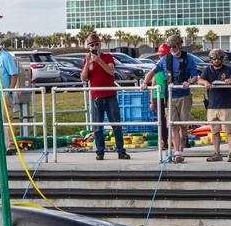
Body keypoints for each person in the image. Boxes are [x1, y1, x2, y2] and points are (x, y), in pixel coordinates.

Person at [142, 34, 198, 162]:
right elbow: (152, 72)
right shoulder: (164, 60)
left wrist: (189, 82)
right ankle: (176, 151)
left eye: (175, 46)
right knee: (173, 125)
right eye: (170, 46)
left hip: (184, 96)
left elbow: (195, 76)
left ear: (180, 45)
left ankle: (181, 150)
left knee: (183, 126)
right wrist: (145, 82)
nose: (173, 48)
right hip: (170, 97)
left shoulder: (188, 59)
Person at [81, 31, 130, 160]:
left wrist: (99, 61)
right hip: (96, 97)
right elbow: (84, 77)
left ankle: (121, 151)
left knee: (116, 125)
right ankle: (100, 152)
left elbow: (111, 71)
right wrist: (87, 63)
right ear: (88, 47)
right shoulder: (87, 60)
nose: (94, 47)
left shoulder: (107, 57)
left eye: (96, 44)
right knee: (97, 126)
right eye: (91, 45)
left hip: (110, 96)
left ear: (100, 45)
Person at [198, 50, 231, 161]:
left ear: (222, 59)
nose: (216, 60)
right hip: (212, 105)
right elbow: (199, 80)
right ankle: (217, 153)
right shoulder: (207, 70)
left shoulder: (228, 69)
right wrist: (205, 82)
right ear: (210, 60)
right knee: (214, 131)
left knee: (229, 131)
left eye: (218, 58)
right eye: (214, 58)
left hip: (227, 104)